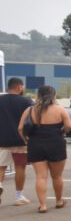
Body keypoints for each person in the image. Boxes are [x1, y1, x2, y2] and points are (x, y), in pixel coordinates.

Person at [18, 85, 71, 213]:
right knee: (57, 176)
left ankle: (43, 205)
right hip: (56, 143)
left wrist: (26, 140)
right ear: (53, 95)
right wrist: (61, 132)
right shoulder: (60, 109)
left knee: (41, 177)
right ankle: (59, 201)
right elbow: (69, 126)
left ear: (39, 95)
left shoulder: (30, 110)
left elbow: (20, 128)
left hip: (35, 144)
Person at [0, 77, 34, 205]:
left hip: (1, 140)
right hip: (21, 140)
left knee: (1, 166)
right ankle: (18, 196)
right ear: (19, 87)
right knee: (20, 167)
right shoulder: (26, 101)